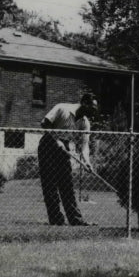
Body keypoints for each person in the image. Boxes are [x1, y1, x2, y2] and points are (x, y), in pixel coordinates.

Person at [38, 93, 97, 226]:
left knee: (67, 185)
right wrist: (56, 139)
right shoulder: (62, 108)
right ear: (84, 104)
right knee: (50, 185)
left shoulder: (85, 122)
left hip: (64, 148)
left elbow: (84, 145)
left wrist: (87, 162)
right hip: (48, 144)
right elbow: (44, 123)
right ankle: (56, 220)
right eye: (92, 108)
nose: (93, 112)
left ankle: (76, 220)